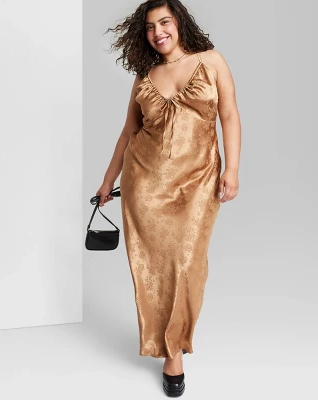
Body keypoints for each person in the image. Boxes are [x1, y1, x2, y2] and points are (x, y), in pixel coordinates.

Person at [95, 0, 241, 396]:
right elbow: (129, 132)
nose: (157, 32)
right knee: (153, 268)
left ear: (179, 22)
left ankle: (175, 342)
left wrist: (232, 169)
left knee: (187, 263)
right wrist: (108, 181)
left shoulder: (211, 61)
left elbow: (229, 115)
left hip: (198, 182)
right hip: (145, 184)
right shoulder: (145, 75)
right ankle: (170, 354)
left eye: (164, 22)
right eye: (149, 27)